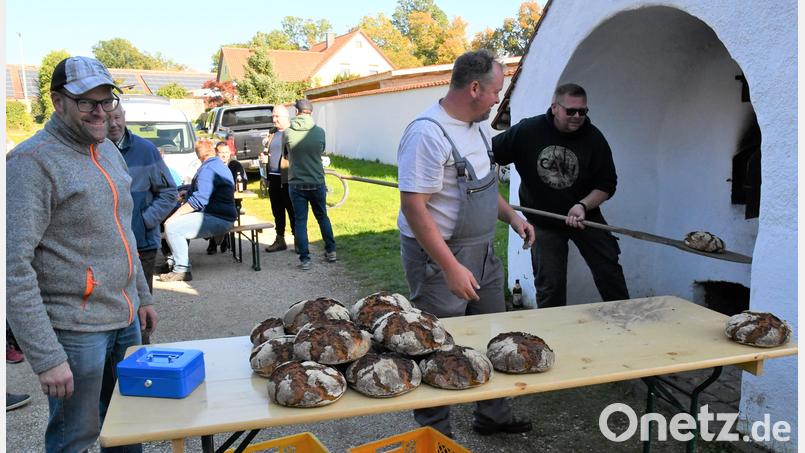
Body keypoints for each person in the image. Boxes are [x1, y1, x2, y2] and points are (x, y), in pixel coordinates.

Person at [6, 56, 156, 452]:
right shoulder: (30, 162)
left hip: (124, 321)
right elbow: (12, 266)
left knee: (128, 424)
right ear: (58, 102)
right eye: (86, 102)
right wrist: (45, 355)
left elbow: (122, 229)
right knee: (75, 436)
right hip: (75, 331)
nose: (100, 111)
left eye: (107, 100)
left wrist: (141, 295)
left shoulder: (107, 149)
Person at [397, 49, 535, 437]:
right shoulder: (427, 133)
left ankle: (493, 417)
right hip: (440, 256)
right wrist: (449, 266)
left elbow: (484, 183)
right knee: (435, 344)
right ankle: (434, 432)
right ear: (475, 88)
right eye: (495, 91)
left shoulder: (476, 126)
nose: (497, 99)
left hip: (483, 251)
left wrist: (513, 217)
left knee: (492, 335)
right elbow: (413, 207)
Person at [492, 83, 629, 308]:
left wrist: (583, 205)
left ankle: (627, 320)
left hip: (585, 216)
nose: (577, 116)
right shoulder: (528, 131)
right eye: (571, 111)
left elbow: (607, 184)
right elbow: (487, 155)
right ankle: (553, 337)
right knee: (550, 285)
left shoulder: (594, 139)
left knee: (609, 270)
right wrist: (486, 184)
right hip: (543, 221)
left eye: (583, 111)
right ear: (555, 107)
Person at [107, 105, 179, 296]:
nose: (113, 124)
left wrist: (144, 220)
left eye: (117, 117)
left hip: (142, 244)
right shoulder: (93, 151)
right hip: (106, 248)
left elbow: (169, 193)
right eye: (107, 119)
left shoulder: (146, 150)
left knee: (142, 306)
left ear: (124, 116)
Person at [159, 139, 237, 281]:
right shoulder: (218, 165)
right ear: (212, 151)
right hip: (223, 216)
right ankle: (174, 262)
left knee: (171, 226)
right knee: (174, 224)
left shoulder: (208, 169)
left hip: (219, 218)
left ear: (199, 155)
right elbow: (207, 189)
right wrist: (187, 191)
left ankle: (181, 270)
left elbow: (199, 200)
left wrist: (175, 216)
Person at [286, 99, 336, 270]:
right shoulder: (320, 132)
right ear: (310, 113)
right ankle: (331, 251)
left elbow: (286, 155)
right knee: (322, 217)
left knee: (300, 221)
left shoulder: (288, 133)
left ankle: (305, 259)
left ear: (296, 112)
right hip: (317, 181)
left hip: (297, 183)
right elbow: (321, 151)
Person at [263, 105, 296, 252]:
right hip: (273, 178)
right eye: (273, 116)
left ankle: (298, 241)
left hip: (288, 178)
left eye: (277, 116)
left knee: (292, 210)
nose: (274, 119)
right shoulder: (272, 133)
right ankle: (280, 239)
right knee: (277, 210)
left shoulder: (293, 132)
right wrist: (263, 159)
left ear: (286, 117)